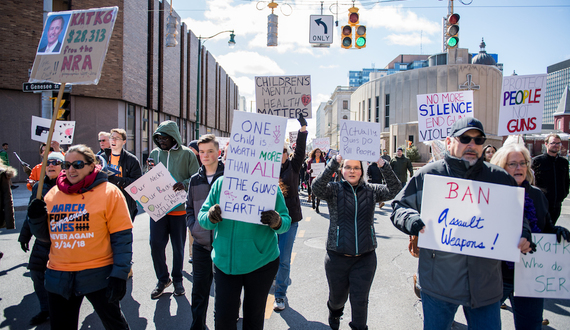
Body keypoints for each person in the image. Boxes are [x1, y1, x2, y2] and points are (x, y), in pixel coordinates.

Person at [390, 117, 533, 330]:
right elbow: (399, 206)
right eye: (465, 138)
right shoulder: (429, 174)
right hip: (439, 285)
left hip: (485, 286)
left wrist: (524, 234)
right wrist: (410, 219)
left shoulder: (499, 178)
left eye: (478, 140)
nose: (472, 145)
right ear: (449, 142)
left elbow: (519, 218)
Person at [27, 144, 132, 329]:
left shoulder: (109, 192)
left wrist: (120, 274)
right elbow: (45, 237)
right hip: (58, 276)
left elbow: (122, 238)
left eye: (77, 164)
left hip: (99, 275)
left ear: (92, 166)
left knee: (115, 325)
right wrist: (35, 219)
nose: (71, 170)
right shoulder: (52, 194)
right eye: (66, 165)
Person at [312, 153, 401, 330]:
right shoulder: (333, 190)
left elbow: (395, 188)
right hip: (337, 257)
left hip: (365, 258)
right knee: (338, 299)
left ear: (362, 171)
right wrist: (334, 162)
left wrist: (382, 164)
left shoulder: (371, 191)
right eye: (347, 167)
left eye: (356, 168)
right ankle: (335, 312)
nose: (352, 171)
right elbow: (316, 188)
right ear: (342, 170)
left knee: (360, 301)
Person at [491, 143, 570, 329]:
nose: (519, 168)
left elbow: (546, 227)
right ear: (501, 167)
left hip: (530, 276)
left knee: (531, 326)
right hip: (496, 277)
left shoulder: (537, 196)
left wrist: (557, 231)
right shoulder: (489, 196)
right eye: (512, 164)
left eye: (523, 162)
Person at [198, 179, 291, 330]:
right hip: (225, 263)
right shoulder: (221, 183)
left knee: (253, 319)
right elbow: (202, 217)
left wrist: (277, 221)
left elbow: (286, 221)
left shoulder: (269, 186)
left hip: (261, 262)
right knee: (223, 320)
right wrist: (210, 216)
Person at [148, 120, 200, 299]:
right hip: (158, 209)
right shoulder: (154, 154)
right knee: (155, 245)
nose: (161, 140)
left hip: (178, 209)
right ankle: (163, 279)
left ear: (173, 137)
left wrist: (184, 184)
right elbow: (148, 178)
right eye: (158, 137)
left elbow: (196, 177)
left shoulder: (187, 154)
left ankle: (178, 279)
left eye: (164, 137)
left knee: (178, 247)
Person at [18, 152, 64, 325]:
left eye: (55, 162)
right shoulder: (39, 186)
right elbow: (31, 213)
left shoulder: (68, 186)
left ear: (63, 166)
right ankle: (45, 309)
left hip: (62, 241)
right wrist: (25, 236)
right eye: (47, 162)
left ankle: (61, 310)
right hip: (42, 242)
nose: (50, 165)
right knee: (37, 274)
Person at [186, 134, 224, 330]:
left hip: (224, 245)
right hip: (201, 245)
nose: (205, 155)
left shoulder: (229, 177)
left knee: (224, 293)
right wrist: (194, 228)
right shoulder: (194, 180)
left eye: (210, 151)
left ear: (218, 152)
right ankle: (197, 326)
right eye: (201, 152)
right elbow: (189, 210)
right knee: (199, 290)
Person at [274, 113, 308, 311]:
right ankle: (271, 281)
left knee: (283, 259)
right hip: (267, 222)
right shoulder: (264, 169)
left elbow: (301, 150)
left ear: (287, 153)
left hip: (290, 219)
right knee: (270, 258)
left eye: (283, 151)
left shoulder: (293, 168)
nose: (280, 154)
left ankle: (280, 295)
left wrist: (302, 128)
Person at [102, 128, 142, 221]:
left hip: (125, 203)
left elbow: (137, 183)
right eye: (112, 137)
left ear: (124, 141)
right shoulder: (102, 158)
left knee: (123, 234)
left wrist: (116, 180)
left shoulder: (132, 160)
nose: (113, 140)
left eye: (117, 138)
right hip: (105, 202)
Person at [531, 133, 570, 225]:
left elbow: (566, 181)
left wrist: (563, 195)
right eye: (553, 143)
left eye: (558, 143)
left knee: (552, 230)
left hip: (556, 205)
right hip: (541, 204)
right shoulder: (537, 161)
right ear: (546, 144)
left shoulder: (563, 162)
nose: (556, 145)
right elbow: (532, 181)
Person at [307, 148, 325, 213]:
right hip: (313, 178)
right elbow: (307, 170)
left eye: (319, 152)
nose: (318, 153)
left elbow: (325, 169)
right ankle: (313, 202)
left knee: (319, 193)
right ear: (314, 153)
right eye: (317, 152)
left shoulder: (323, 160)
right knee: (313, 192)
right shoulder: (310, 161)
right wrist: (310, 171)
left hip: (320, 179)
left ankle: (317, 207)